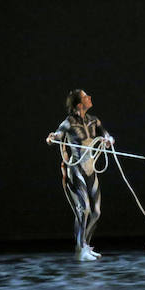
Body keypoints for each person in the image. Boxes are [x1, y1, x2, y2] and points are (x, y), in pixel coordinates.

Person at [46, 89, 113, 262]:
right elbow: (58, 134)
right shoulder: (68, 122)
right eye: (85, 97)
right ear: (79, 104)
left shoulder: (93, 120)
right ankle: (80, 248)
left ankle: (85, 245)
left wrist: (108, 139)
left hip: (91, 170)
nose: (89, 97)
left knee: (96, 212)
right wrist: (52, 137)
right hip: (76, 170)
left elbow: (104, 133)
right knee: (84, 210)